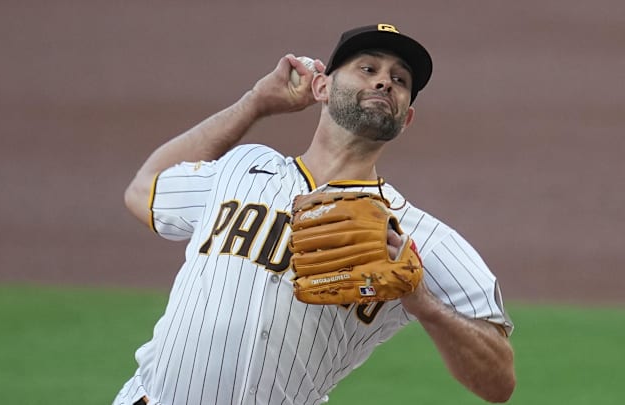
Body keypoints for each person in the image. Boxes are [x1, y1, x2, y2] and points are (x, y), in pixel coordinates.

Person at [113, 23, 516, 405]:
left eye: (400, 80)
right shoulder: (243, 167)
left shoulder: (420, 238)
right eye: (368, 68)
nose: (384, 82)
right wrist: (254, 104)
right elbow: (144, 189)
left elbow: (499, 379)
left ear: (405, 117)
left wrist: (421, 301)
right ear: (322, 87)